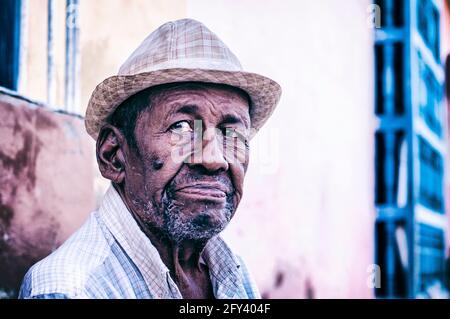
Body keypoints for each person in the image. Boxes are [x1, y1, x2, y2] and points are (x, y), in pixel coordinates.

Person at [19, 18, 281, 299]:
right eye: (181, 127)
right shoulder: (71, 289)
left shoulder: (232, 272)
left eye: (232, 134)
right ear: (114, 156)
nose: (214, 159)